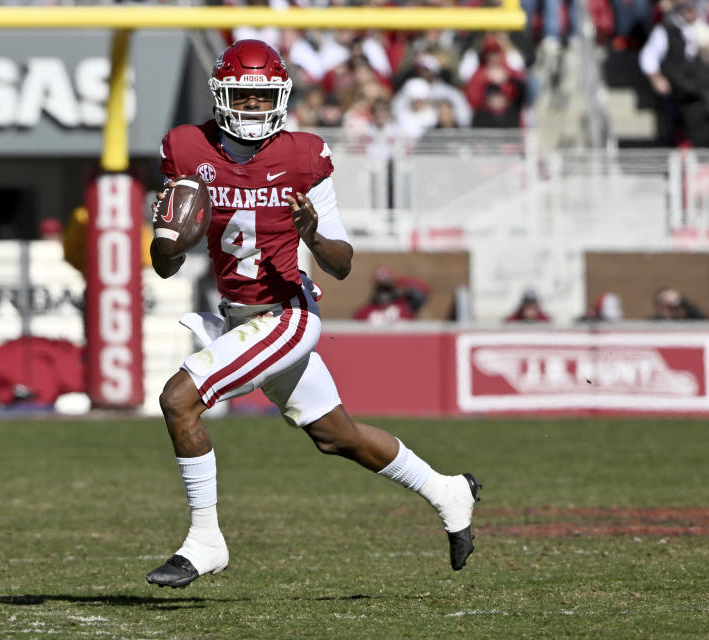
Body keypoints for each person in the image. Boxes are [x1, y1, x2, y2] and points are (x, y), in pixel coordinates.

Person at [144, 40, 481, 590]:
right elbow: (165, 266)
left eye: (262, 98)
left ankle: (205, 540)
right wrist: (167, 238)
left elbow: (342, 264)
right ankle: (448, 490)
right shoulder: (187, 149)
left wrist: (312, 235)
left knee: (178, 400)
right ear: (222, 96)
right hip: (238, 315)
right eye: (243, 97)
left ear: (279, 98)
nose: (253, 108)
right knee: (336, 435)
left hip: (286, 315)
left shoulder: (303, 156)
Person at [639, 0, 709, 147]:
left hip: (702, 99)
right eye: (685, 9)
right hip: (676, 94)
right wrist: (656, 78)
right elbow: (648, 57)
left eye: (692, 8)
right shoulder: (665, 31)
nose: (689, 12)